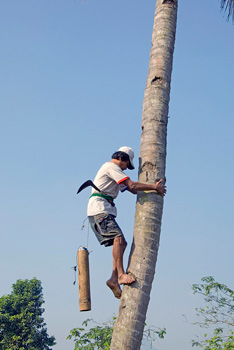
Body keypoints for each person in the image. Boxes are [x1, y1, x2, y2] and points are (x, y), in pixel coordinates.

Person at [87, 146, 166, 299]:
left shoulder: (116, 172)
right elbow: (132, 185)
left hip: (104, 210)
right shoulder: (111, 167)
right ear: (121, 158)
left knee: (122, 243)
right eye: (126, 165)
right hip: (99, 210)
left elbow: (134, 190)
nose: (126, 168)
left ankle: (113, 278)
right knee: (118, 238)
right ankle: (121, 275)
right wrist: (154, 188)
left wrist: (150, 185)